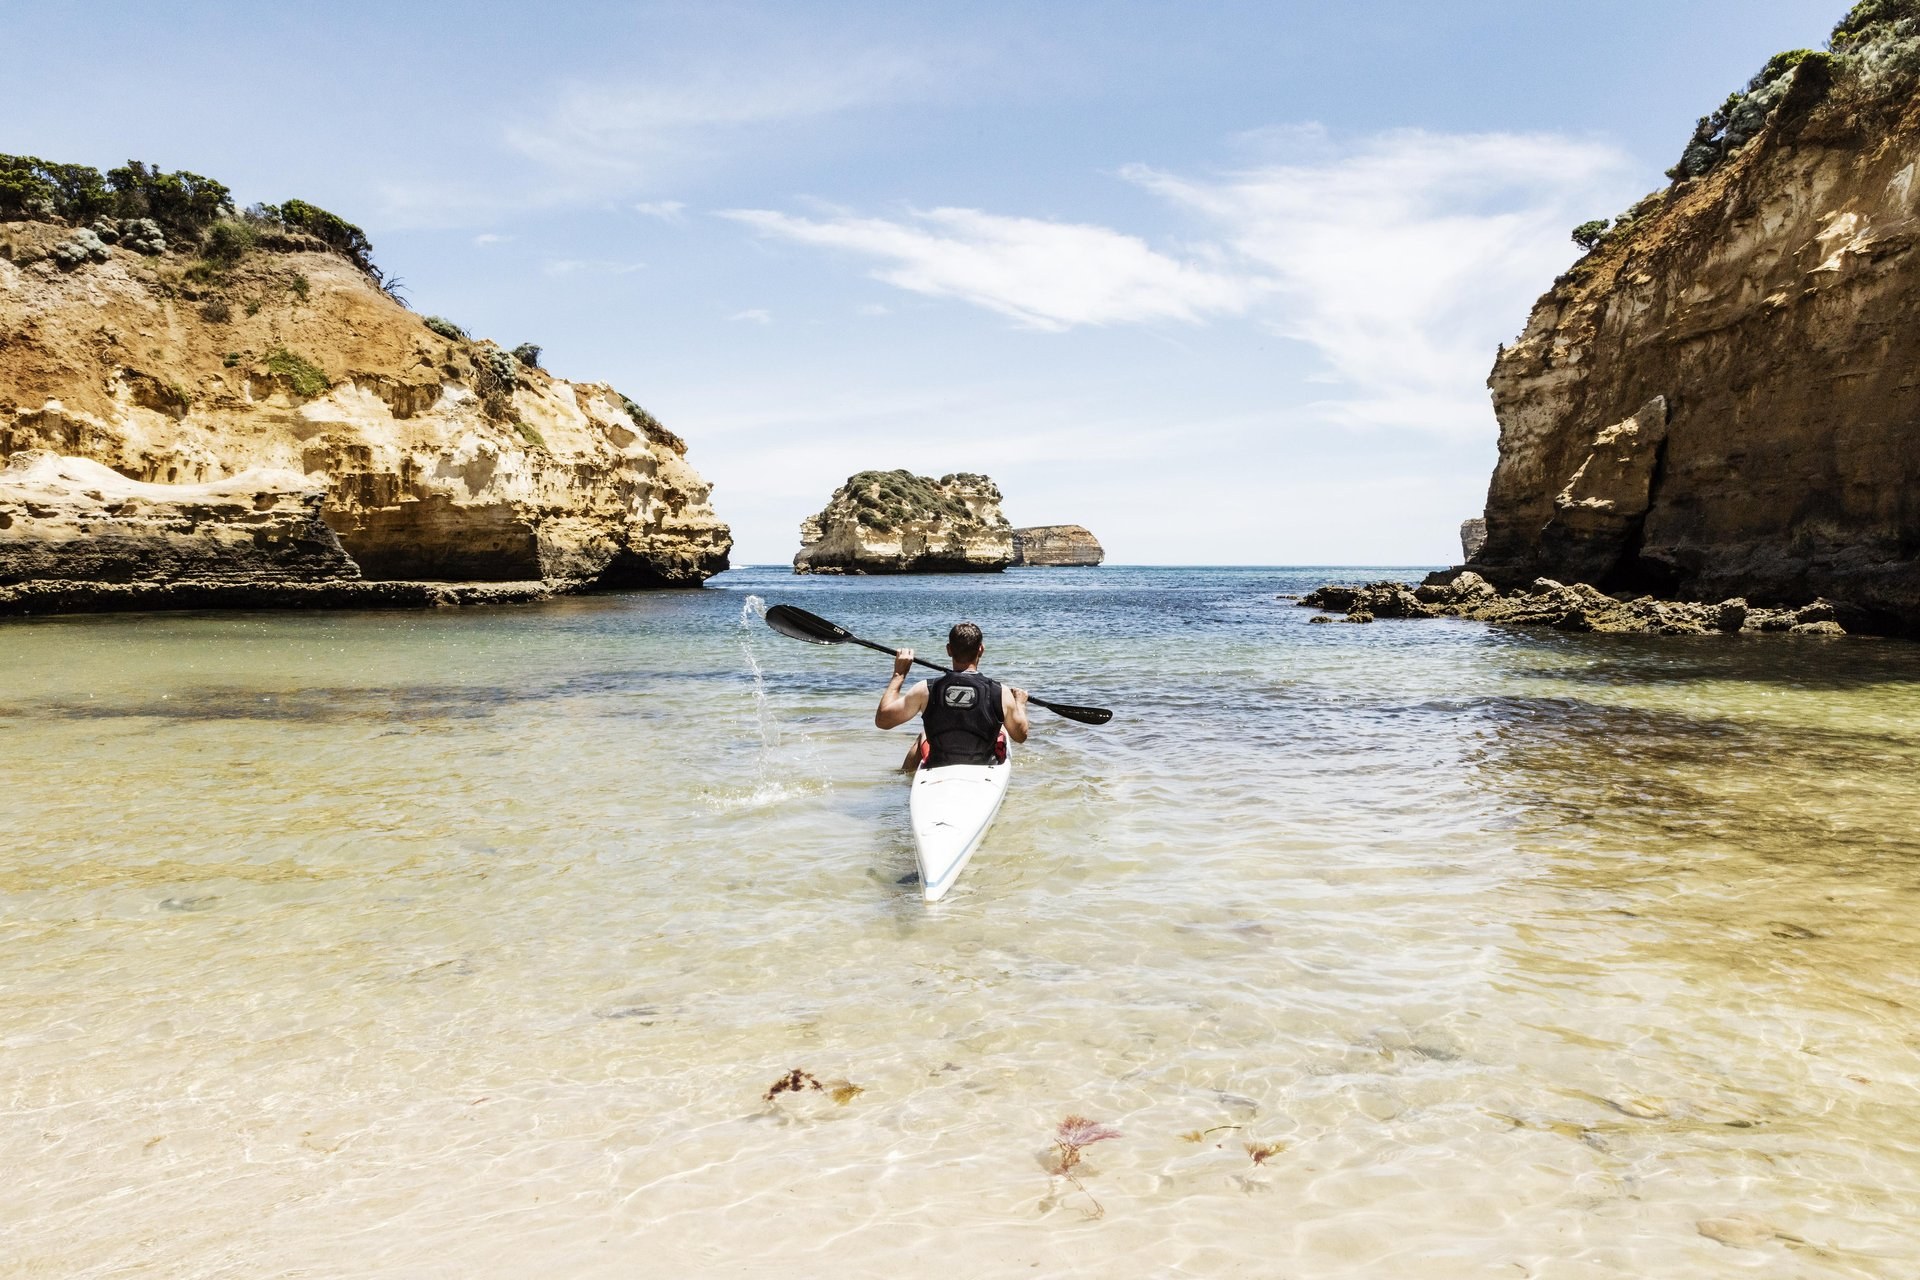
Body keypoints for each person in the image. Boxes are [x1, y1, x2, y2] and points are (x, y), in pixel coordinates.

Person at [875, 620, 1029, 771]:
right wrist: (1020, 704)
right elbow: (1020, 736)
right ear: (981, 650)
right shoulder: (1000, 692)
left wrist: (899, 674)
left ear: (949, 650)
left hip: (939, 766)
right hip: (983, 768)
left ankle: (903, 778)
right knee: (1002, 732)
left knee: (923, 736)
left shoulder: (925, 689)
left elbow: (883, 721)